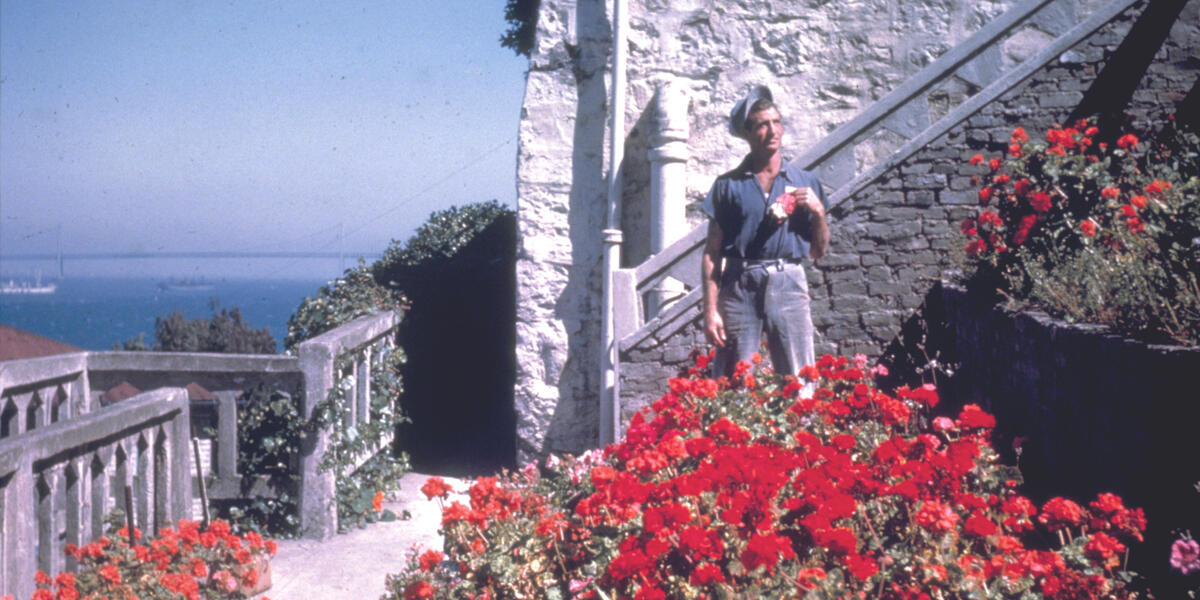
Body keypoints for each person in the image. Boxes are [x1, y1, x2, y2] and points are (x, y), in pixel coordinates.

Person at [701, 85, 830, 381]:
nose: (772, 130)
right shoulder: (727, 185)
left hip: (788, 279)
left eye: (776, 122)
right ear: (747, 134)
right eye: (762, 125)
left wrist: (819, 213)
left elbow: (818, 251)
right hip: (739, 283)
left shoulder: (804, 181)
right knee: (735, 377)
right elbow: (711, 252)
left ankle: (803, 426)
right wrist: (710, 311)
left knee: (800, 377)